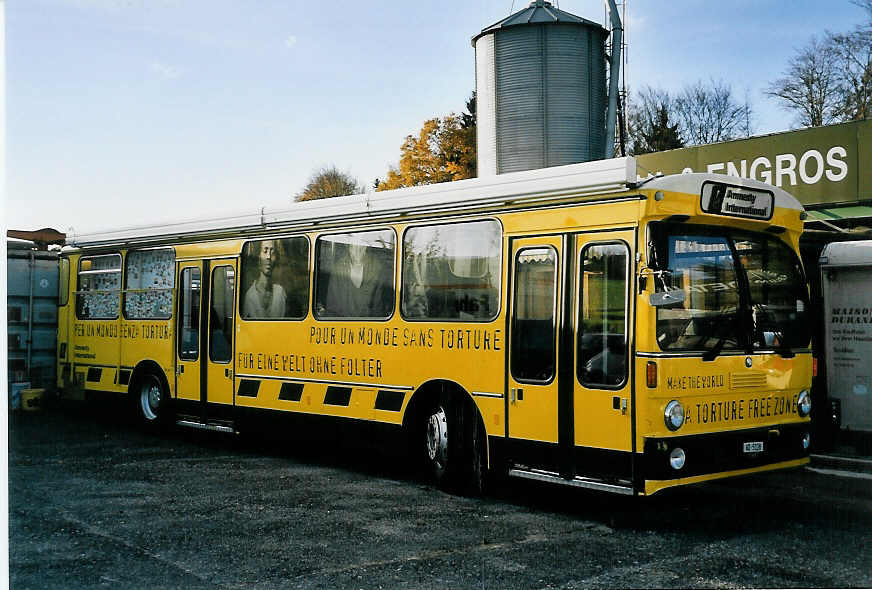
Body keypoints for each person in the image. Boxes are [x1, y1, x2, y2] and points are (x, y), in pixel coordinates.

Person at [243, 240, 287, 318]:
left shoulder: (280, 293)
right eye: (265, 251)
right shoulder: (250, 296)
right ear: (258, 257)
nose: (268, 257)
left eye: (272, 252)